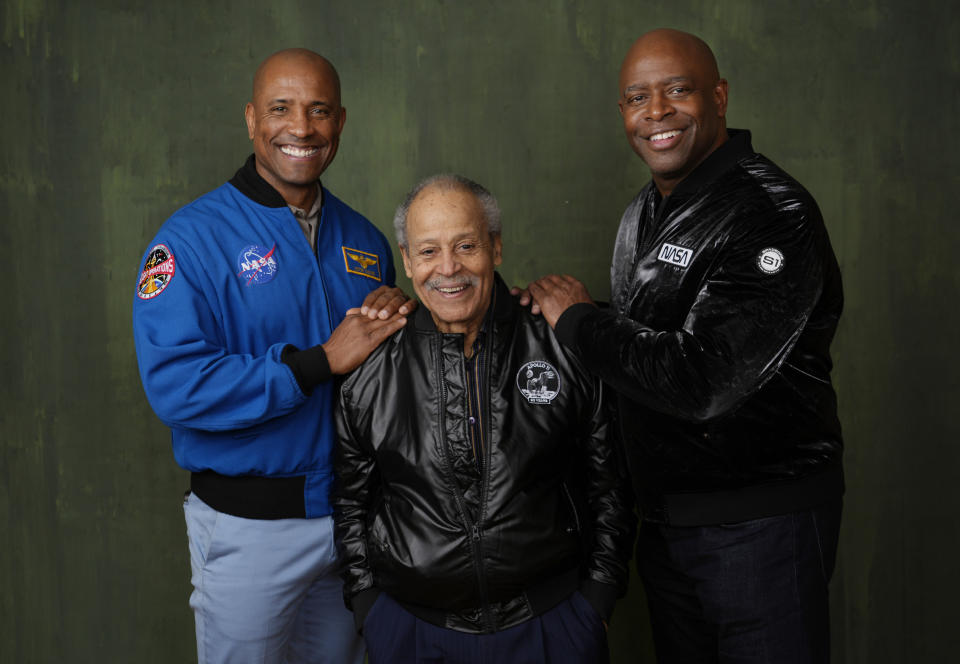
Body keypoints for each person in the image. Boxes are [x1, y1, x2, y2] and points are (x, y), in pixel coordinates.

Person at [526, 29, 844, 663]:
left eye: (678, 90)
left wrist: (581, 323)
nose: (657, 112)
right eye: (638, 98)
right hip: (670, 526)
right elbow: (655, 336)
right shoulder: (643, 211)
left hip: (761, 527)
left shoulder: (771, 211)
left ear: (720, 96)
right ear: (624, 113)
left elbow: (705, 378)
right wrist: (537, 316)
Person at [132, 48, 414, 664]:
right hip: (247, 532)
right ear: (252, 120)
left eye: (318, 111)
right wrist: (316, 362)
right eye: (281, 109)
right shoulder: (189, 240)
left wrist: (399, 322)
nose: (301, 128)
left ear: (340, 122)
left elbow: (381, 390)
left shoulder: (365, 240)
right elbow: (176, 385)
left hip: (351, 525)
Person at [333, 175, 635, 664]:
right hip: (413, 631)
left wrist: (597, 598)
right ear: (407, 261)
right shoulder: (370, 367)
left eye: (466, 245)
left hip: (551, 624)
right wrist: (370, 607)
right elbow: (351, 502)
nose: (448, 269)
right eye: (428, 252)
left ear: (495, 248)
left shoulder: (559, 344)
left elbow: (610, 485)